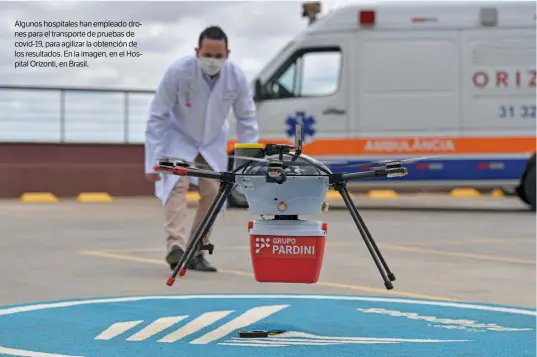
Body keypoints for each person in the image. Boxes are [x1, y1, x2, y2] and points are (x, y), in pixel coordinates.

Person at [144, 26, 260, 273]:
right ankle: (175, 246)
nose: (213, 61)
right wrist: (151, 160)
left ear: (227, 54)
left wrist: (248, 163)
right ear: (197, 52)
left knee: (214, 192)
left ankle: (196, 251)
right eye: (208, 55)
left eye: (218, 57)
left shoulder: (236, 77)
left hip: (212, 141)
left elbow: (247, 118)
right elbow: (157, 115)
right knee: (177, 185)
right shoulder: (178, 71)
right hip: (180, 137)